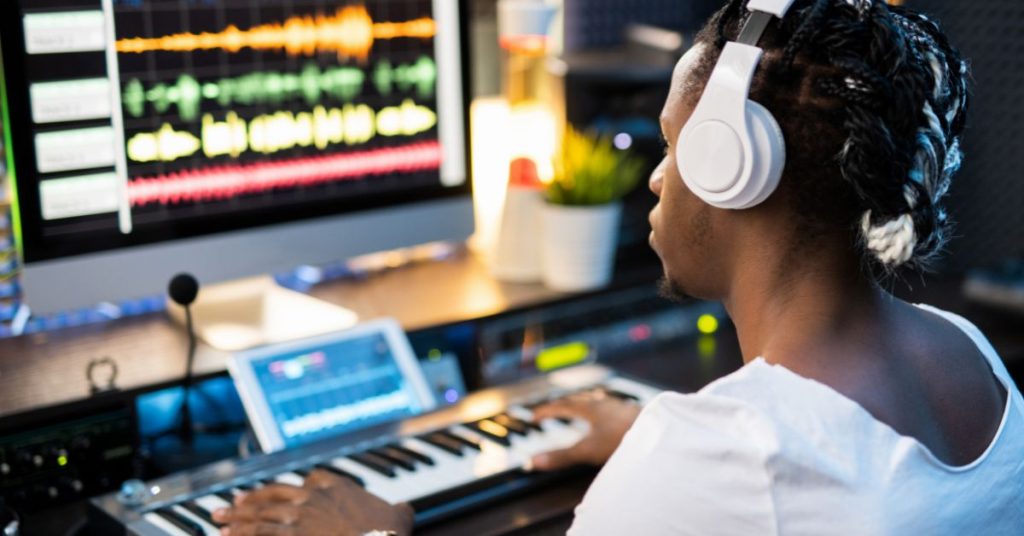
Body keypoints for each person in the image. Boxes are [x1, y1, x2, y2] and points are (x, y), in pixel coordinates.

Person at [214, 0, 1024, 534]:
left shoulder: (717, 453)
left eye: (674, 148)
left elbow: (769, 468)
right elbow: (824, 476)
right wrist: (654, 441)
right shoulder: (969, 352)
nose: (656, 178)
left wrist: (377, 531)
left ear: (732, 169)